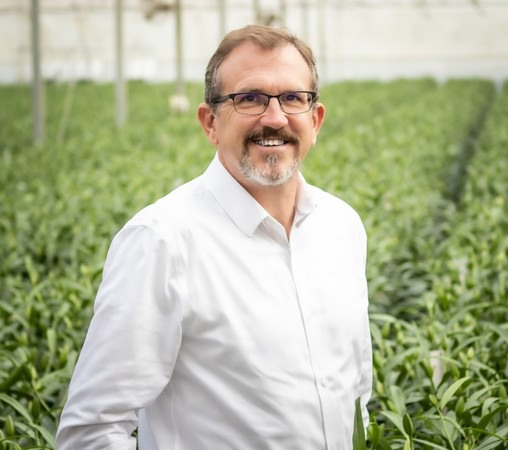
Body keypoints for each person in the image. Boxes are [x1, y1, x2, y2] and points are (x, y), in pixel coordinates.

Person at [56, 24, 372, 450]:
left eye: (293, 98)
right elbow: (90, 432)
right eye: (250, 98)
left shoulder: (341, 226)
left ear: (315, 120)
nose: (274, 117)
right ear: (210, 123)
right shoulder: (162, 242)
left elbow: (355, 398)